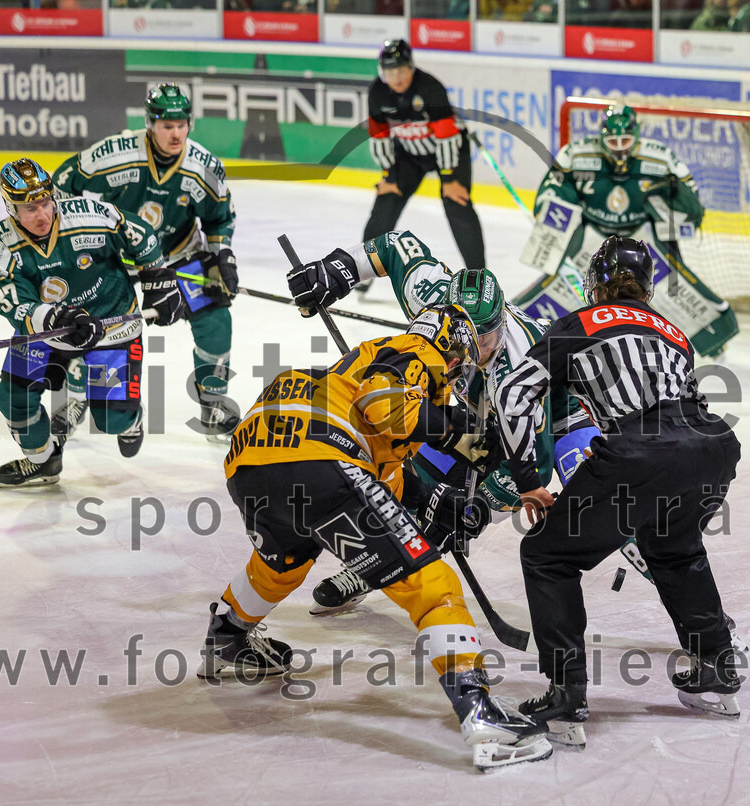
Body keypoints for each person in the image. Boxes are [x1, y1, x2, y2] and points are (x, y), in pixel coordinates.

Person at [199, 304, 552, 772]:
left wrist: (435, 499)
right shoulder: (418, 351)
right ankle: (482, 716)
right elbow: (387, 410)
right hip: (321, 456)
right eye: (460, 364)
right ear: (454, 349)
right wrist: (455, 432)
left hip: (252, 467)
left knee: (283, 560)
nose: (455, 381)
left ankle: (226, 634)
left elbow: (383, 474)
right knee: (435, 585)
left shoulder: (353, 373)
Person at [494, 236, 743, 750]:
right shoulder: (675, 332)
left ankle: (566, 695)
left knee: (546, 557)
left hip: (641, 451)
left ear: (597, 282)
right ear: (647, 285)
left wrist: (527, 481)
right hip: (712, 445)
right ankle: (718, 669)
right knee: (674, 549)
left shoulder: (577, 324)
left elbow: (514, 393)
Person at [286, 229, 606, 613]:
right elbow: (394, 246)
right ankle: (377, 561)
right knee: (412, 480)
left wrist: (482, 506)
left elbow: (531, 464)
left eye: (485, 337)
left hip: (563, 415)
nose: (474, 347)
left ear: (502, 323)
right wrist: (335, 271)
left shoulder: (519, 368)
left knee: (608, 505)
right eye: (464, 334)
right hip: (482, 410)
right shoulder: (434, 302)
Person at [53, 82, 240, 444]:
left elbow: (219, 218)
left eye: (181, 124)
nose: (175, 133)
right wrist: (74, 241)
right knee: (83, 324)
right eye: (167, 125)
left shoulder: (204, 168)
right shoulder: (114, 154)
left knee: (215, 317)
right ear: (150, 123)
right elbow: (63, 184)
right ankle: (76, 398)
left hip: (177, 255)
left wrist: (222, 255)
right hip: (116, 258)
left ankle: (213, 402)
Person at [0, 157, 183, 487]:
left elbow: (142, 235)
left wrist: (158, 280)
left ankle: (127, 417)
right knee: (12, 398)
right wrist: (59, 316)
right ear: (10, 208)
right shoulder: (0, 249)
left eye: (46, 202)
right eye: (30, 208)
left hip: (112, 323)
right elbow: (17, 308)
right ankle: (44, 461)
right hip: (51, 331)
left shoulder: (90, 215)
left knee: (112, 420)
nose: (43, 214)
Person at [523, 102, 737, 357]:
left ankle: (709, 340)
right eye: (613, 141)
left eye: (625, 140)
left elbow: (693, 207)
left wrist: (674, 193)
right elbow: (552, 192)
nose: (619, 148)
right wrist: (550, 209)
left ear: (636, 137)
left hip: (641, 234)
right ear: (602, 137)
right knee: (563, 285)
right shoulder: (575, 154)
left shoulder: (661, 157)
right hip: (593, 232)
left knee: (671, 287)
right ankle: (530, 334)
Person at [363, 40, 485, 274]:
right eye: (390, 72)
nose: (396, 78)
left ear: (411, 67)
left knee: (457, 203)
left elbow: (447, 137)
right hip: (409, 154)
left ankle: (479, 276)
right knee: (386, 201)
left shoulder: (429, 87)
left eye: (401, 71)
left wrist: (449, 179)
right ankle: (363, 268)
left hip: (450, 152)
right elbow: (378, 136)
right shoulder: (378, 92)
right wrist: (388, 175)